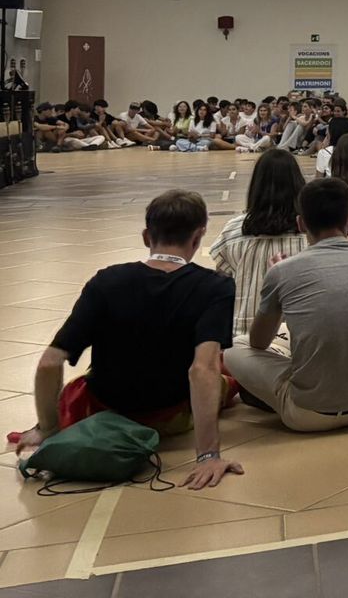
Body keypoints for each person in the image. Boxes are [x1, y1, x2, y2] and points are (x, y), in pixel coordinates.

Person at [19, 190, 241, 488]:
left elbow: (49, 362)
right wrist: (208, 455)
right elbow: (202, 371)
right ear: (199, 236)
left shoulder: (105, 281)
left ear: (146, 236)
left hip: (104, 407)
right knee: (224, 366)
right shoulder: (215, 287)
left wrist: (47, 428)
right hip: (170, 413)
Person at [224, 178, 348, 431]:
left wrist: (277, 289)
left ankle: (299, 376)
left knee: (234, 348)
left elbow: (258, 342)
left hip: (307, 414)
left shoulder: (282, 271)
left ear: (301, 223)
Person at [208, 147, 308, 339]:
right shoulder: (311, 232)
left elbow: (222, 284)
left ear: (256, 186)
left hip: (242, 338)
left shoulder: (233, 229)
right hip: (297, 339)